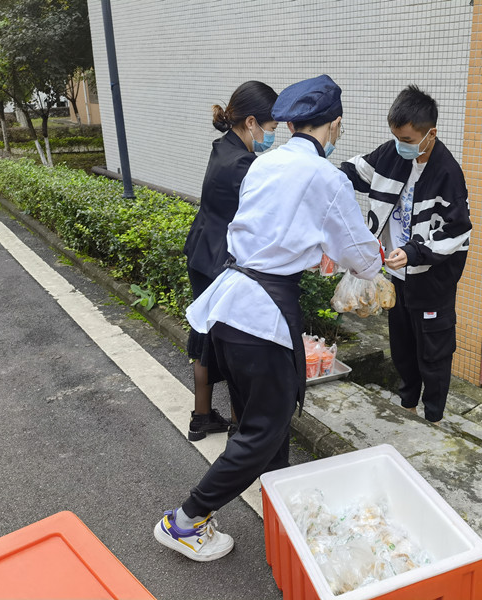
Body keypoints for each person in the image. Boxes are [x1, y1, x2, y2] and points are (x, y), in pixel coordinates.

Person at [154, 75, 382, 562]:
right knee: (265, 429)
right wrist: (379, 259)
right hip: (265, 314)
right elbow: (362, 258)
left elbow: (274, 232)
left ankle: (281, 514)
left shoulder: (264, 163)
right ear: (334, 124)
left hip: (231, 302)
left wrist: (317, 247)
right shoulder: (326, 177)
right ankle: (185, 520)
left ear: (291, 122)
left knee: (260, 426)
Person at [341, 85, 471, 424]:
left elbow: (457, 232)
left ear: (431, 134)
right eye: (397, 137)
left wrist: (413, 252)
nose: (402, 145)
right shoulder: (390, 154)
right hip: (396, 276)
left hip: (431, 281)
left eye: (409, 140)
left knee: (434, 351)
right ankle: (407, 406)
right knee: (402, 348)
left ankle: (434, 417)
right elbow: (354, 172)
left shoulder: (448, 173)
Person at [182, 81, 279, 441]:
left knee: (205, 337)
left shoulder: (224, 147)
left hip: (202, 251)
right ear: (251, 122)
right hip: (220, 262)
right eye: (271, 129)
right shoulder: (242, 164)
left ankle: (202, 417)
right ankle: (241, 425)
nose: (273, 137)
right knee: (234, 341)